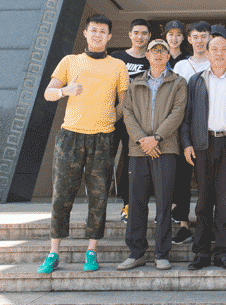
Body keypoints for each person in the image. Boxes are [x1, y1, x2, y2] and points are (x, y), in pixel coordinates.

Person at [37, 14, 129, 274]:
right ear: (86, 33)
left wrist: (110, 117)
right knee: (61, 195)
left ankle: (92, 250)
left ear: (109, 36)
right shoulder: (69, 61)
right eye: (94, 30)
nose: (98, 35)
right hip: (70, 136)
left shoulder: (118, 65)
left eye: (103, 31)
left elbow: (124, 103)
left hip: (103, 137)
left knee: (98, 196)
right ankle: (53, 252)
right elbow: (48, 93)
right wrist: (65, 91)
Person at [181, 32, 226, 271]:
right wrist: (187, 143)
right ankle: (201, 253)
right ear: (207, 53)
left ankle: (222, 253)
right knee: (203, 201)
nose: (219, 53)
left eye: (224, 49)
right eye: (215, 49)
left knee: (224, 202)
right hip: (203, 145)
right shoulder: (196, 81)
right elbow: (186, 116)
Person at [117, 39, 187, 271]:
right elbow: (127, 113)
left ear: (168, 56)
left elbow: (178, 112)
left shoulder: (178, 82)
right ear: (147, 55)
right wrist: (142, 140)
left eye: (162, 51)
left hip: (165, 149)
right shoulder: (136, 83)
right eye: (154, 51)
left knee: (164, 203)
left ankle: (161, 253)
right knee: (136, 202)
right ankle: (136, 252)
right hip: (138, 150)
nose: (158, 54)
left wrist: (156, 138)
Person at [171, 21, 211, 244]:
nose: (199, 41)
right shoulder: (181, 66)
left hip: (210, 128)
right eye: (195, 37)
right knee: (182, 178)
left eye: (203, 36)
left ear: (209, 38)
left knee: (208, 179)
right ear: (190, 40)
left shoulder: (216, 62)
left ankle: (207, 225)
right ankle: (184, 225)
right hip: (184, 127)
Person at [111, 19, 152, 224]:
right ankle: (96, 211)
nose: (140, 37)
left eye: (144, 33)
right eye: (136, 32)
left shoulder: (151, 60)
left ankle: (128, 206)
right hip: (113, 118)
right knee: (104, 163)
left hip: (136, 121)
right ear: (129, 35)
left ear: (149, 36)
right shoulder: (116, 57)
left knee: (131, 165)